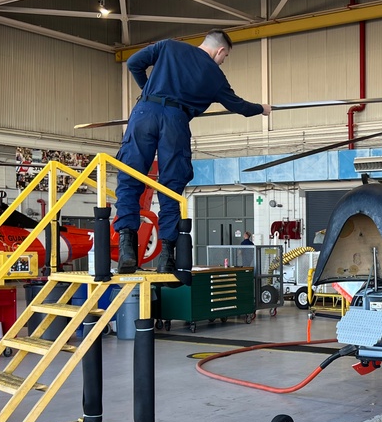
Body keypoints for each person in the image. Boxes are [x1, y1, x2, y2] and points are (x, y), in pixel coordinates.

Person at [114, 29, 271, 273]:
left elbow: (134, 63)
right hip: (176, 122)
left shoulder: (168, 46)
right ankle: (166, 256)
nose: (222, 61)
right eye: (225, 57)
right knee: (171, 187)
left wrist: (148, 92)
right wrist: (262, 108)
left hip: (144, 113)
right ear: (219, 50)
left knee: (130, 177)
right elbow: (238, 105)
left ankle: (127, 249)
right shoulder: (214, 75)